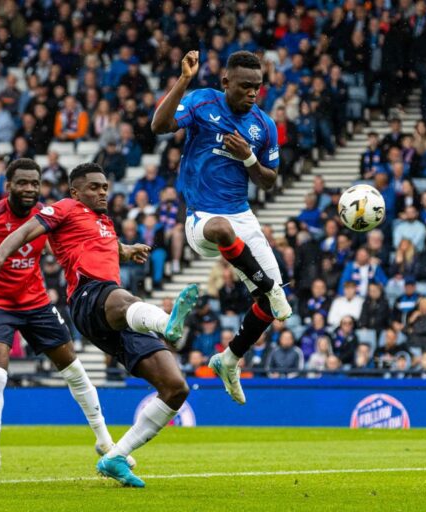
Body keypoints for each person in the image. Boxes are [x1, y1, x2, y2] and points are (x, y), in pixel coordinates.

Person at [0, 163, 201, 488]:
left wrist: (124, 249)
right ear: (75, 191)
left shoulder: (104, 221)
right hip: (89, 297)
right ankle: (166, 323)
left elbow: (98, 246)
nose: (102, 192)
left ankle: (116, 456)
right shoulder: (64, 208)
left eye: (105, 187)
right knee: (123, 298)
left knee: (176, 388)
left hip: (113, 312)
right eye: (94, 187)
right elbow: (21, 232)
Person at [0, 159, 119, 473]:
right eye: (22, 183)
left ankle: (105, 441)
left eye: (34, 183)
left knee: (74, 370)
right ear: (7, 185)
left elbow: (88, 239)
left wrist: (125, 249)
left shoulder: (47, 215)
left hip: (36, 304)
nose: (29, 189)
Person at [151, 50, 293, 405]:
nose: (252, 93)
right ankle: (266, 285)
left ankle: (229, 359)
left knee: (273, 305)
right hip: (202, 217)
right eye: (245, 86)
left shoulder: (263, 125)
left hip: (242, 215)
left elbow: (270, 182)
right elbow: (159, 126)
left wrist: (248, 157)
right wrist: (183, 80)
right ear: (226, 82)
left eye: (257, 87)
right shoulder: (202, 102)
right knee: (223, 232)